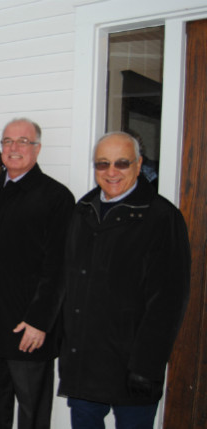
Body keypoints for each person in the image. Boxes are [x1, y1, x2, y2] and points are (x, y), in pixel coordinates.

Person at [58, 131, 190, 428]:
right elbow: (70, 282)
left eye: (122, 163)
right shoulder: (83, 210)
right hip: (84, 365)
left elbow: (168, 301)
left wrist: (146, 368)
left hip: (132, 370)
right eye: (102, 164)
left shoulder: (161, 217)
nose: (111, 172)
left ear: (139, 164)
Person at [0, 118, 75, 429]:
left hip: (28, 330)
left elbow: (59, 267)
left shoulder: (57, 197)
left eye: (23, 141)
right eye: (8, 141)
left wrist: (40, 321)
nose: (14, 148)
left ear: (37, 148)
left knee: (33, 416)